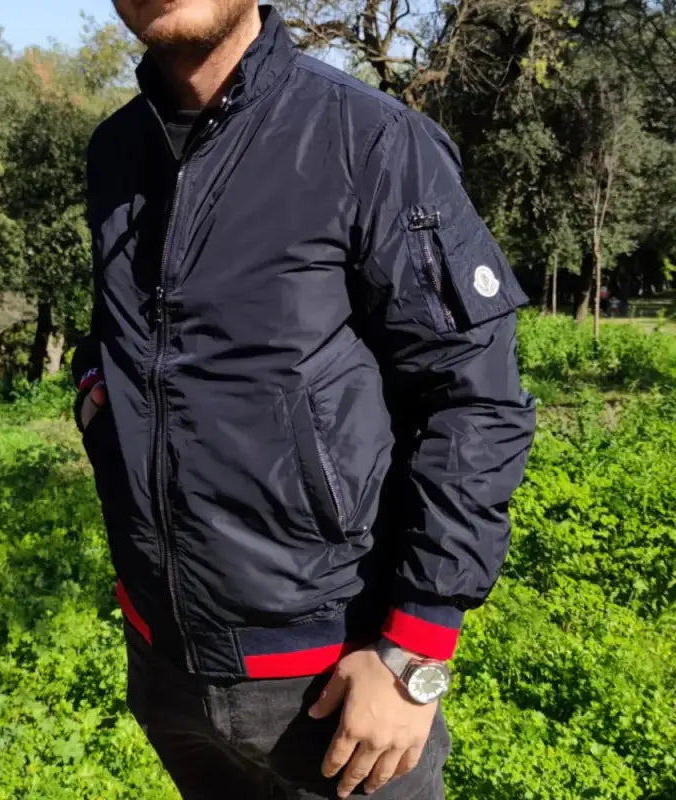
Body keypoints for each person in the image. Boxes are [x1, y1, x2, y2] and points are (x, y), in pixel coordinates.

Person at [72, 3, 536, 798]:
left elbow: (474, 398)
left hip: (336, 688)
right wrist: (95, 397)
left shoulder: (370, 140)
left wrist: (415, 651)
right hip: (163, 669)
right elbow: (117, 334)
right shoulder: (115, 151)